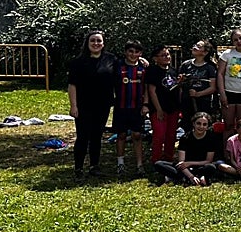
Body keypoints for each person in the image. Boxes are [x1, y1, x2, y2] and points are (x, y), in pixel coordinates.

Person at [67, 29, 117, 178]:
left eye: (99, 41)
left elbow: (127, 64)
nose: (96, 43)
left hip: (103, 105)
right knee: (82, 137)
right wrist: (73, 106)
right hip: (83, 106)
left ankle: (94, 166)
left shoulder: (111, 59)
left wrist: (142, 60)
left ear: (103, 43)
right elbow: (72, 85)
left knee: (97, 136)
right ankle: (78, 168)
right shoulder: (78, 62)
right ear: (87, 43)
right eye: (93, 41)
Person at [111, 39, 149, 177]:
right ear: (125, 52)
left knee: (137, 135)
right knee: (121, 135)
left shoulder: (144, 68)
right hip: (121, 107)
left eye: (137, 52)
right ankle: (120, 164)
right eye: (130, 51)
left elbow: (147, 88)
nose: (133, 54)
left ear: (141, 53)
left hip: (137, 107)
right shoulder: (117, 66)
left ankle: (140, 165)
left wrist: (145, 105)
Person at [154, 111, 216, 186]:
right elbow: (181, 163)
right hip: (185, 168)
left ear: (207, 126)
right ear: (193, 124)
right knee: (159, 164)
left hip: (200, 166)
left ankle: (191, 177)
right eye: (198, 123)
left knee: (211, 167)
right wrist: (191, 176)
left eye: (204, 124)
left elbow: (208, 161)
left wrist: (190, 163)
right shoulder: (185, 138)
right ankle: (191, 178)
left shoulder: (211, 139)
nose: (201, 127)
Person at [145, 45, 182, 165]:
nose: (167, 57)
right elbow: (152, 91)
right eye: (163, 55)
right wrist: (158, 109)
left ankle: (168, 159)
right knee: (159, 135)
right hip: (159, 109)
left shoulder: (173, 70)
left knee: (171, 135)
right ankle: (156, 160)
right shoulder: (152, 71)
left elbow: (175, 88)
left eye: (167, 54)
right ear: (156, 58)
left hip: (173, 108)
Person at [178, 39, 217, 122]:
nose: (194, 47)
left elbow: (213, 88)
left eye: (198, 46)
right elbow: (179, 84)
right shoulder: (185, 65)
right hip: (187, 102)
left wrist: (198, 94)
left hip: (203, 103)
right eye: (195, 45)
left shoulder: (210, 67)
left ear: (205, 52)